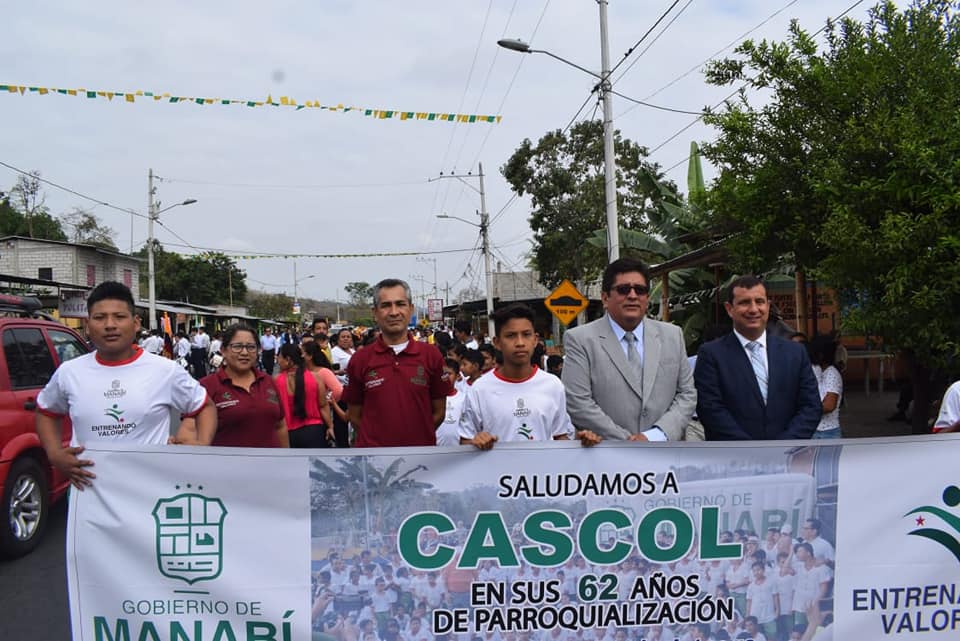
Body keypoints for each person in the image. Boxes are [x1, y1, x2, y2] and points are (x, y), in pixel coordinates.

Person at [35, 281, 216, 488]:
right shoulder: (69, 372)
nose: (110, 325)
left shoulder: (165, 370)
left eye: (119, 317)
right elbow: (46, 411)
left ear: (136, 323)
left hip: (150, 491)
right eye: (100, 318)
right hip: (88, 493)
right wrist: (54, 454)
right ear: (87, 325)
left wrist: (201, 447)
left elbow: (204, 406)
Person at [562, 258, 696, 441]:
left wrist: (654, 436)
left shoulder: (672, 336)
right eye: (623, 289)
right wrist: (628, 442)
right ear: (605, 298)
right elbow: (578, 402)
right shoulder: (580, 340)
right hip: (608, 453)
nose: (632, 296)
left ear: (647, 298)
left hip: (666, 451)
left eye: (640, 290)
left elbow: (687, 394)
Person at [695, 275, 821, 440]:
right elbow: (710, 409)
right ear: (729, 309)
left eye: (759, 302)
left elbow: (811, 406)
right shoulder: (711, 354)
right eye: (744, 302)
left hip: (787, 452)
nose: (753, 309)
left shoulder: (795, 352)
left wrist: (783, 446)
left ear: (768, 306)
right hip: (733, 453)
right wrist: (752, 450)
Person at [460, 303, 601, 449]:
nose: (520, 343)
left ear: (535, 339)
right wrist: (477, 441)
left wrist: (581, 443)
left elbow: (560, 436)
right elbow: (465, 441)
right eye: (510, 336)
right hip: (497, 465)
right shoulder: (479, 389)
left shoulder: (552, 385)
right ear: (497, 342)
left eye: (526, 335)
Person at [343, 279, 448, 447]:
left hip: (420, 458)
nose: (394, 312)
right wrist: (378, 444)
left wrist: (415, 440)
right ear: (375, 313)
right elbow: (355, 417)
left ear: (411, 309)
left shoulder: (432, 355)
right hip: (374, 459)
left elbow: (439, 412)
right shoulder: (360, 359)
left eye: (400, 304)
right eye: (386, 305)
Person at [194, 324, 288, 448]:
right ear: (223, 350)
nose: (244, 352)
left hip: (271, 459)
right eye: (237, 346)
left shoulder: (268, 382)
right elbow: (191, 431)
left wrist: (285, 456)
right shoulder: (206, 386)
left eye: (251, 347)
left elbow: (280, 426)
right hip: (227, 460)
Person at [276, 344, 334, 447]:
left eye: (279, 357)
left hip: (288, 434)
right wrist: (330, 427)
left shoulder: (276, 381)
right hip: (314, 431)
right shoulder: (315, 377)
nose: (278, 360)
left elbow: (274, 409)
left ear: (288, 359)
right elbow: (323, 406)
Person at [302, 341, 349, 446]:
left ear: (310, 356)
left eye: (303, 353)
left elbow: (338, 391)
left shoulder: (323, 372)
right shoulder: (302, 372)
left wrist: (325, 401)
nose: (301, 356)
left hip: (326, 416)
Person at [808, 336, 843, 439]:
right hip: (815, 430)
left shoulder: (832, 373)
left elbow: (829, 406)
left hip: (826, 433)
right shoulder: (818, 371)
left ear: (820, 355)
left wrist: (804, 409)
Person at [436, 358, 466, 447]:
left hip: (457, 449)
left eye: (449, 374)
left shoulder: (464, 398)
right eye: (443, 374)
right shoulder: (433, 399)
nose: (446, 377)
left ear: (457, 376)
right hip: (434, 448)